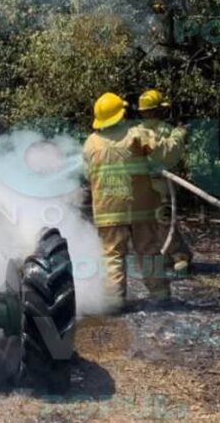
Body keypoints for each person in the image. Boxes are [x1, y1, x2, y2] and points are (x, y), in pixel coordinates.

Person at [83, 91, 184, 310]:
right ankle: (160, 295)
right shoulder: (136, 134)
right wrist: (178, 136)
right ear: (121, 114)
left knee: (111, 256)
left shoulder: (90, 143)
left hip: (107, 211)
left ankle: (114, 301)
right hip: (140, 209)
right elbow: (166, 154)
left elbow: (86, 174)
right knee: (148, 251)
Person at [134, 89, 192, 273]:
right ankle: (178, 255)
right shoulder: (166, 130)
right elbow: (170, 154)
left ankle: (169, 256)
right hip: (160, 188)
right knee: (164, 222)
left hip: (141, 189)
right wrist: (180, 134)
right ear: (158, 110)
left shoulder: (134, 131)